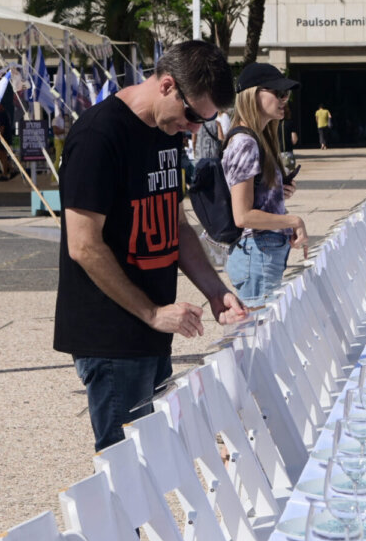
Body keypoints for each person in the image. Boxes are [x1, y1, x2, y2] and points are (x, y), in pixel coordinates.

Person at [54, 40, 248, 456]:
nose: (194, 129)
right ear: (166, 86)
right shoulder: (98, 135)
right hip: (112, 336)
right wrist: (152, 313)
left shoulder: (165, 132)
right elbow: (83, 246)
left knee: (154, 461)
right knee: (127, 467)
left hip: (154, 332)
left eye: (205, 122)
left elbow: (173, 224)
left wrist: (215, 291)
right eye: (193, 115)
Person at [224, 63, 309, 306]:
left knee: (264, 335)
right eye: (277, 93)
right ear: (253, 94)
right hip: (257, 252)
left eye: (287, 94)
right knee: (258, 338)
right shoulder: (245, 142)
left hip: (262, 252)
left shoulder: (257, 138)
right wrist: (293, 221)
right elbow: (243, 216)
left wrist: (275, 195)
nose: (284, 99)